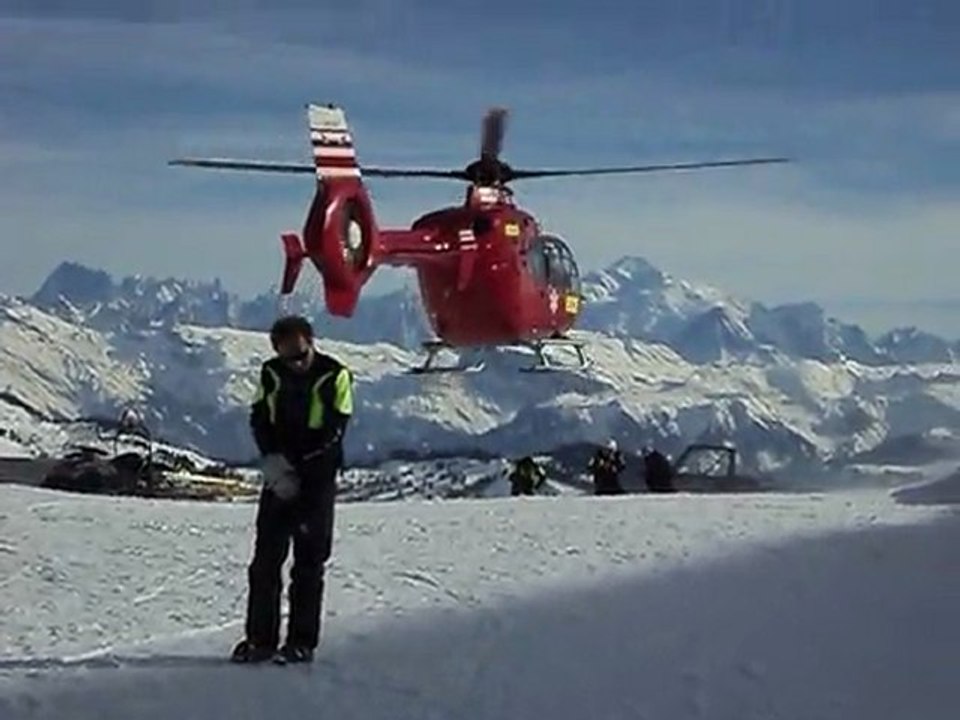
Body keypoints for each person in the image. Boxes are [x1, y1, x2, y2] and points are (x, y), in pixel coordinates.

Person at [231, 315, 354, 664]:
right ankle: (260, 639)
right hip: (278, 475)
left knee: (309, 563)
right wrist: (273, 461)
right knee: (265, 561)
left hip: (317, 479)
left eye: (301, 354)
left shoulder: (335, 374)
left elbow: (335, 428)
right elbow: (259, 417)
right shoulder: (271, 374)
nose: (296, 363)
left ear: (311, 343)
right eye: (289, 356)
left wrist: (299, 467)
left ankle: (301, 641)